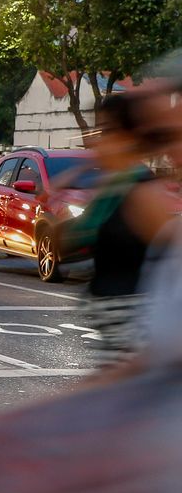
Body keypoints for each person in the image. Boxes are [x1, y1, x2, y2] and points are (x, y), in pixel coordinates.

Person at [59, 93, 176, 366]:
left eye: (106, 131)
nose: (96, 140)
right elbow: (65, 240)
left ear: (131, 139)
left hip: (138, 356)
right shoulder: (113, 187)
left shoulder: (144, 193)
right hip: (118, 351)